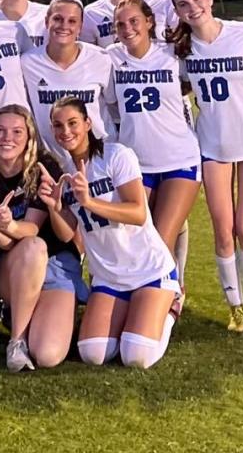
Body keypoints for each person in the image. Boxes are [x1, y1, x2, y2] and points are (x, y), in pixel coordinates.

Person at [37, 98, 179, 368]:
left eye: (72, 123)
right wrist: (56, 208)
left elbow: (138, 213)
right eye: (58, 125)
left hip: (148, 269)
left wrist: (89, 201)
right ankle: (131, 311)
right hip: (108, 276)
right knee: (92, 353)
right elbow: (68, 235)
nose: (65, 131)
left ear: (88, 123)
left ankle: (172, 308)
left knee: (136, 357)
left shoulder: (116, 155)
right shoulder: (66, 174)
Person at [169, 0, 243, 334]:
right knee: (223, 229)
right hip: (212, 145)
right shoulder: (182, 50)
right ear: (178, 11)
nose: (193, 7)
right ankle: (235, 306)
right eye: (184, 4)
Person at [0, 105, 86, 373]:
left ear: (29, 137)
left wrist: (7, 222)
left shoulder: (43, 166)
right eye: (1, 131)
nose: (8, 138)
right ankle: (16, 341)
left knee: (47, 354)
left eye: (17, 132)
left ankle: (28, 315)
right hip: (13, 268)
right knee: (32, 248)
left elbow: (30, 228)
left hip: (54, 267)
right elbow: (9, 244)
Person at [106, 0, 201, 275]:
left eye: (134, 21)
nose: (127, 29)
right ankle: (140, 297)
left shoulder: (172, 53)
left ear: (149, 22)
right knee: (132, 239)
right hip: (136, 163)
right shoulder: (111, 57)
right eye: (120, 24)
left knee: (161, 238)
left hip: (178, 158)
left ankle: (169, 303)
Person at [20, 0, 113, 157]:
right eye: (57, 19)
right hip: (52, 160)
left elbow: (112, 102)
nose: (64, 26)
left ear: (80, 27)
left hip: (98, 154)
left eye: (72, 21)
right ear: (46, 21)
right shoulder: (28, 62)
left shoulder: (100, 58)